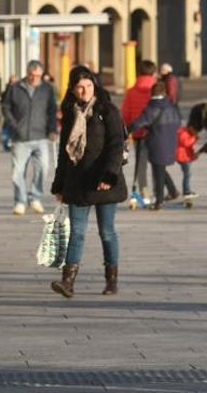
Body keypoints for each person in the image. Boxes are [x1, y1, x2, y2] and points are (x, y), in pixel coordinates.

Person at [50, 66, 126, 298]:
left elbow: (116, 145)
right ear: (73, 90)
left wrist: (108, 176)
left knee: (107, 232)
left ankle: (111, 280)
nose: (85, 91)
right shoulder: (70, 112)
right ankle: (68, 282)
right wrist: (59, 184)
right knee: (77, 233)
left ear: (95, 86)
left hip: (103, 183)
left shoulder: (107, 110)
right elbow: (64, 154)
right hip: (78, 183)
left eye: (89, 86)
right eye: (80, 87)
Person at [1, 60, 58, 215]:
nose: (35, 79)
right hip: (20, 138)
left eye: (38, 76)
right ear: (27, 73)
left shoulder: (47, 89)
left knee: (43, 168)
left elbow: (52, 110)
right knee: (17, 172)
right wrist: (14, 125)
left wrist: (52, 129)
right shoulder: (15, 88)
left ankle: (35, 197)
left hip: (41, 136)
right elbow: (5, 108)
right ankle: (20, 201)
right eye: (32, 76)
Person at [129, 82, 181, 209]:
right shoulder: (171, 106)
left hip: (157, 141)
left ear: (151, 93)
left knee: (158, 171)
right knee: (160, 168)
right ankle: (173, 191)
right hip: (170, 139)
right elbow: (179, 121)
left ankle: (159, 201)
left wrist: (126, 129)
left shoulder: (152, 107)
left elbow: (140, 122)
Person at [121, 60, 158, 202]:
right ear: (153, 72)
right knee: (157, 162)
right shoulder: (156, 89)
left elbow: (125, 112)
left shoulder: (131, 91)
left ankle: (143, 190)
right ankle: (155, 190)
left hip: (137, 131)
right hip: (154, 130)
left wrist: (127, 129)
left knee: (141, 162)